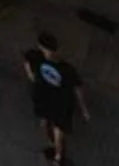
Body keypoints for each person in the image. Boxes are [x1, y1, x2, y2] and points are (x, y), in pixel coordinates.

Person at [24, 32, 86, 162]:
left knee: (55, 128)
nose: (46, 52)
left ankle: (57, 153)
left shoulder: (38, 57)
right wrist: (84, 109)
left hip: (50, 101)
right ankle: (57, 155)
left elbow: (27, 61)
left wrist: (32, 76)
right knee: (54, 127)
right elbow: (77, 87)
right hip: (54, 102)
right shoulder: (66, 69)